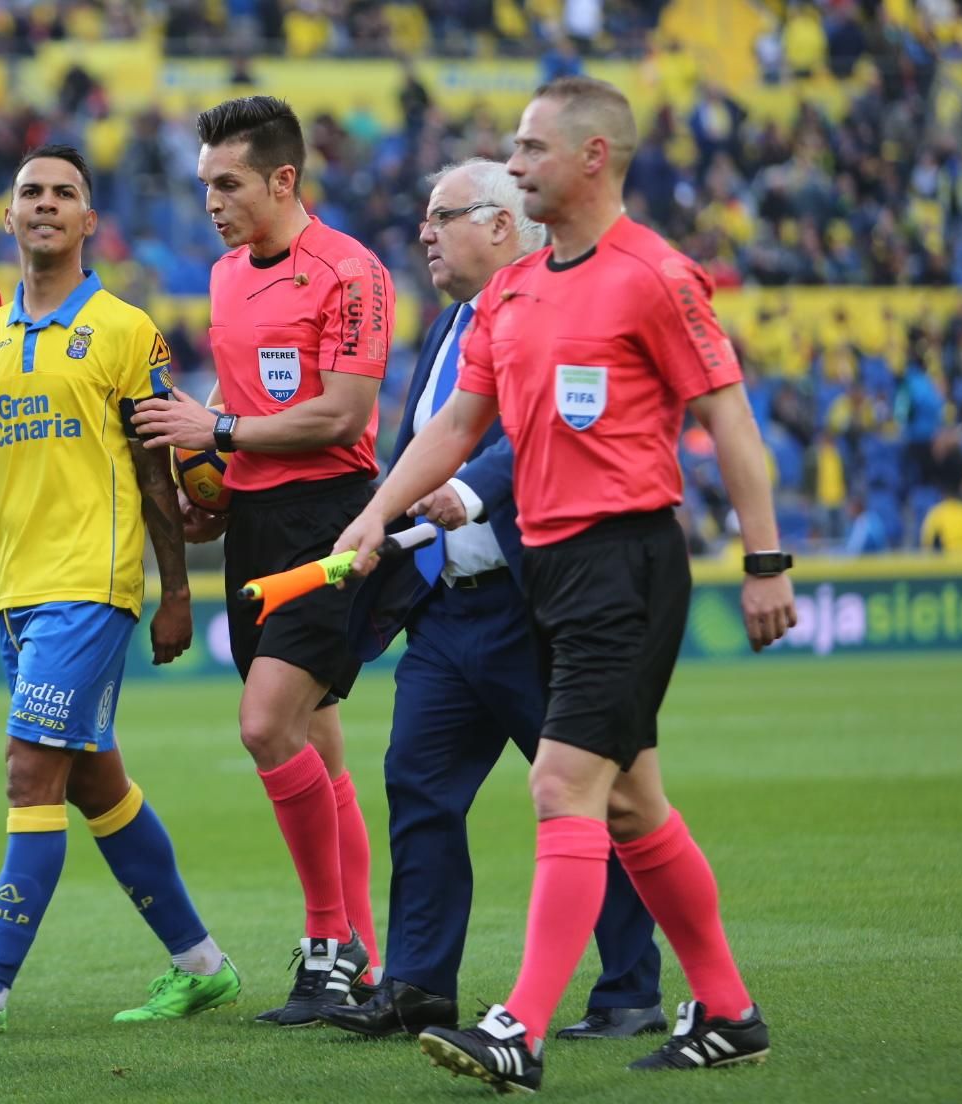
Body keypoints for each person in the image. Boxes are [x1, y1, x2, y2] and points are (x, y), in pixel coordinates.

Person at [334, 76, 797, 1092]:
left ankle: (519, 1028)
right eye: (513, 148)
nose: (516, 163)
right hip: (546, 569)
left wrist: (764, 560)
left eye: (531, 148)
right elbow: (458, 426)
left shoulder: (656, 276)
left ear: (593, 157)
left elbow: (728, 420)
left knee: (561, 786)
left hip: (624, 563)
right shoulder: (511, 293)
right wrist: (377, 515)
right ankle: (727, 1011)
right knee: (630, 804)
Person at [0, 145, 240, 1040]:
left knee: (29, 768)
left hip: (93, 585)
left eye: (65, 193)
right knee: (95, 781)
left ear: (89, 220)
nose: (47, 204)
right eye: (32, 192)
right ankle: (201, 965)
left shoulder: (125, 330)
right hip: (18, 593)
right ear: (10, 215)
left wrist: (177, 590)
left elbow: (155, 470)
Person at [316, 158, 665, 1041]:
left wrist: (471, 491)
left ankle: (628, 992)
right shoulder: (450, 324)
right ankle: (418, 985)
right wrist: (381, 517)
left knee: (596, 794)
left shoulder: (555, 308)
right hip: (446, 607)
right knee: (418, 787)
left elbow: (544, 425)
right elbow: (434, 435)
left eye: (442, 216)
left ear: (502, 225)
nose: (424, 233)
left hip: (534, 603)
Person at [132, 96, 392, 1025]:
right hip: (253, 524)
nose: (211, 202)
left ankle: (328, 943)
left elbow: (342, 413)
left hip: (329, 523)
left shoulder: (352, 272)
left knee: (264, 725)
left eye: (228, 184)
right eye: (205, 184)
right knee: (315, 744)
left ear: (283, 179)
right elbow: (236, 396)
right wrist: (212, 486)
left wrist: (218, 432)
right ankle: (359, 957)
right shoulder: (222, 275)